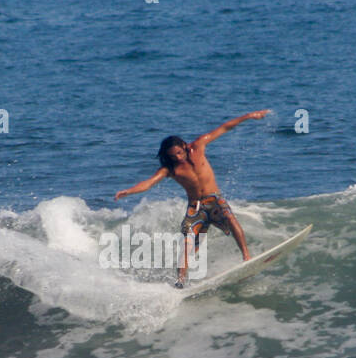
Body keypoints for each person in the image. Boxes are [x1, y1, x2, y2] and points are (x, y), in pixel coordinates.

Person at [114, 110, 270, 286]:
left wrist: (249, 116)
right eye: (173, 156)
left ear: (184, 146)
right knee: (187, 241)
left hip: (215, 201)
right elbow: (148, 183)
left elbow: (225, 127)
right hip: (196, 208)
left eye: (180, 153)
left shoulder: (199, 145)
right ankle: (180, 281)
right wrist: (128, 191)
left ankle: (246, 257)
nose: (178, 158)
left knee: (231, 219)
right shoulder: (170, 169)